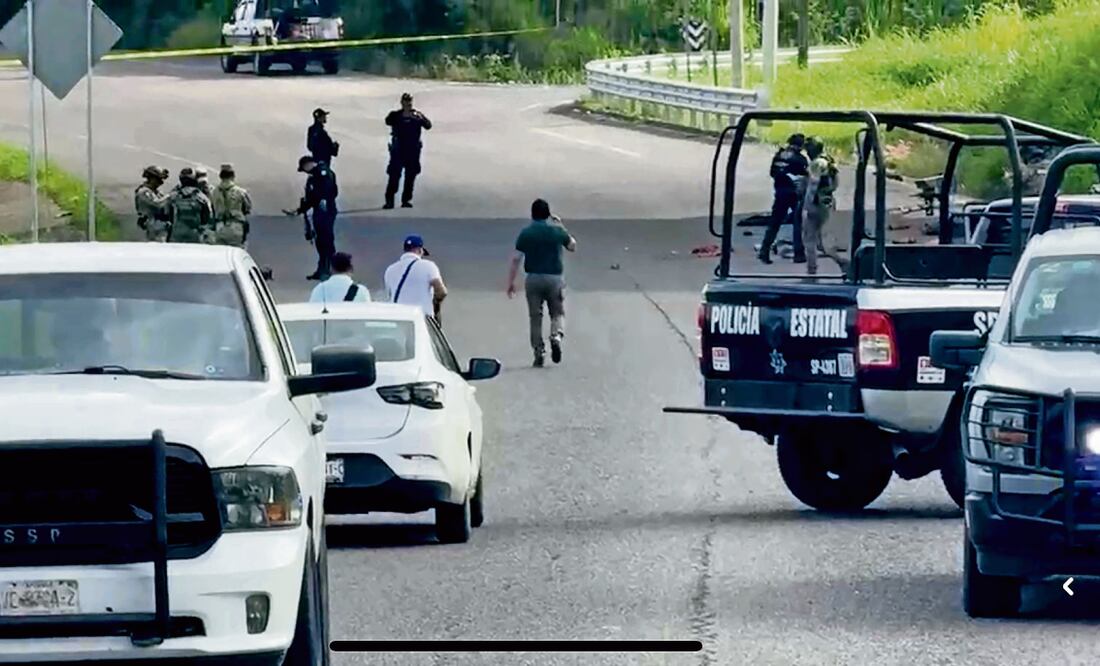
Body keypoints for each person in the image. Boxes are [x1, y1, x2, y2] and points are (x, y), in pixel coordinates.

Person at [507, 199, 576, 367]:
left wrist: (511, 282)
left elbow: (516, 259)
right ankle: (556, 336)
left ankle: (539, 351)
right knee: (557, 312)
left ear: (532, 214)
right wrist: (561, 226)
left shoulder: (526, 233)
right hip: (554, 278)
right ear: (548, 214)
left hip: (533, 278)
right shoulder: (556, 231)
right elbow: (572, 246)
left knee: (535, 317)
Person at [284, 155, 339, 281]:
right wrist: (299, 210)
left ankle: (330, 269)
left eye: (304, 168)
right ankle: (321, 270)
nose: (305, 171)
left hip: (326, 212)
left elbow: (329, 190)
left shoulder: (323, 173)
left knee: (327, 241)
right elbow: (311, 199)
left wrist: (324, 200)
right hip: (318, 213)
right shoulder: (313, 177)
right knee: (320, 242)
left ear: (309, 164)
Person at [759, 133, 809, 265]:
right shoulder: (800, 159)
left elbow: (772, 173)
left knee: (774, 223)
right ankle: (799, 254)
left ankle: (764, 251)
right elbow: (806, 177)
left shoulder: (778, 155)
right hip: (793, 194)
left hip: (780, 192)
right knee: (798, 223)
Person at [801, 137, 847, 276]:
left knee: (809, 239)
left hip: (816, 203)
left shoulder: (816, 164)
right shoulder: (829, 160)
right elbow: (835, 183)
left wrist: (806, 206)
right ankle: (842, 263)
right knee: (823, 242)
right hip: (827, 201)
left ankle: (812, 270)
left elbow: (813, 186)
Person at [383, 93, 432, 209]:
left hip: (413, 150)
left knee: (410, 176)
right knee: (394, 176)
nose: (407, 104)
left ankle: (406, 200)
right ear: (401, 103)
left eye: (409, 102)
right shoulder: (395, 115)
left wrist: (420, 117)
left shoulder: (417, 116)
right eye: (405, 102)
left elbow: (428, 125)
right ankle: (389, 200)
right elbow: (387, 121)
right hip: (398, 150)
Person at [383, 235, 447, 322]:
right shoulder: (428, 266)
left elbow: (390, 295)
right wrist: (435, 306)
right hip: (421, 319)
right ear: (420, 250)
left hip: (397, 319)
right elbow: (441, 292)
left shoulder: (390, 270)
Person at [210, 163, 253, 249]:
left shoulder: (214, 192)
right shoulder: (241, 192)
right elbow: (247, 208)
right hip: (236, 228)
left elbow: (212, 209)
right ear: (233, 176)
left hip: (220, 227)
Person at [167, 167, 215, 244]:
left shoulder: (173, 197)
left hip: (176, 235)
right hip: (195, 235)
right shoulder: (202, 198)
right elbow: (208, 217)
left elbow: (167, 215)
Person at [134, 165, 170, 242]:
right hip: (149, 225)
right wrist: (170, 196)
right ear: (152, 178)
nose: (161, 183)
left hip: (158, 225)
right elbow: (157, 204)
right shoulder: (143, 192)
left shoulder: (157, 192)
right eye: (159, 180)